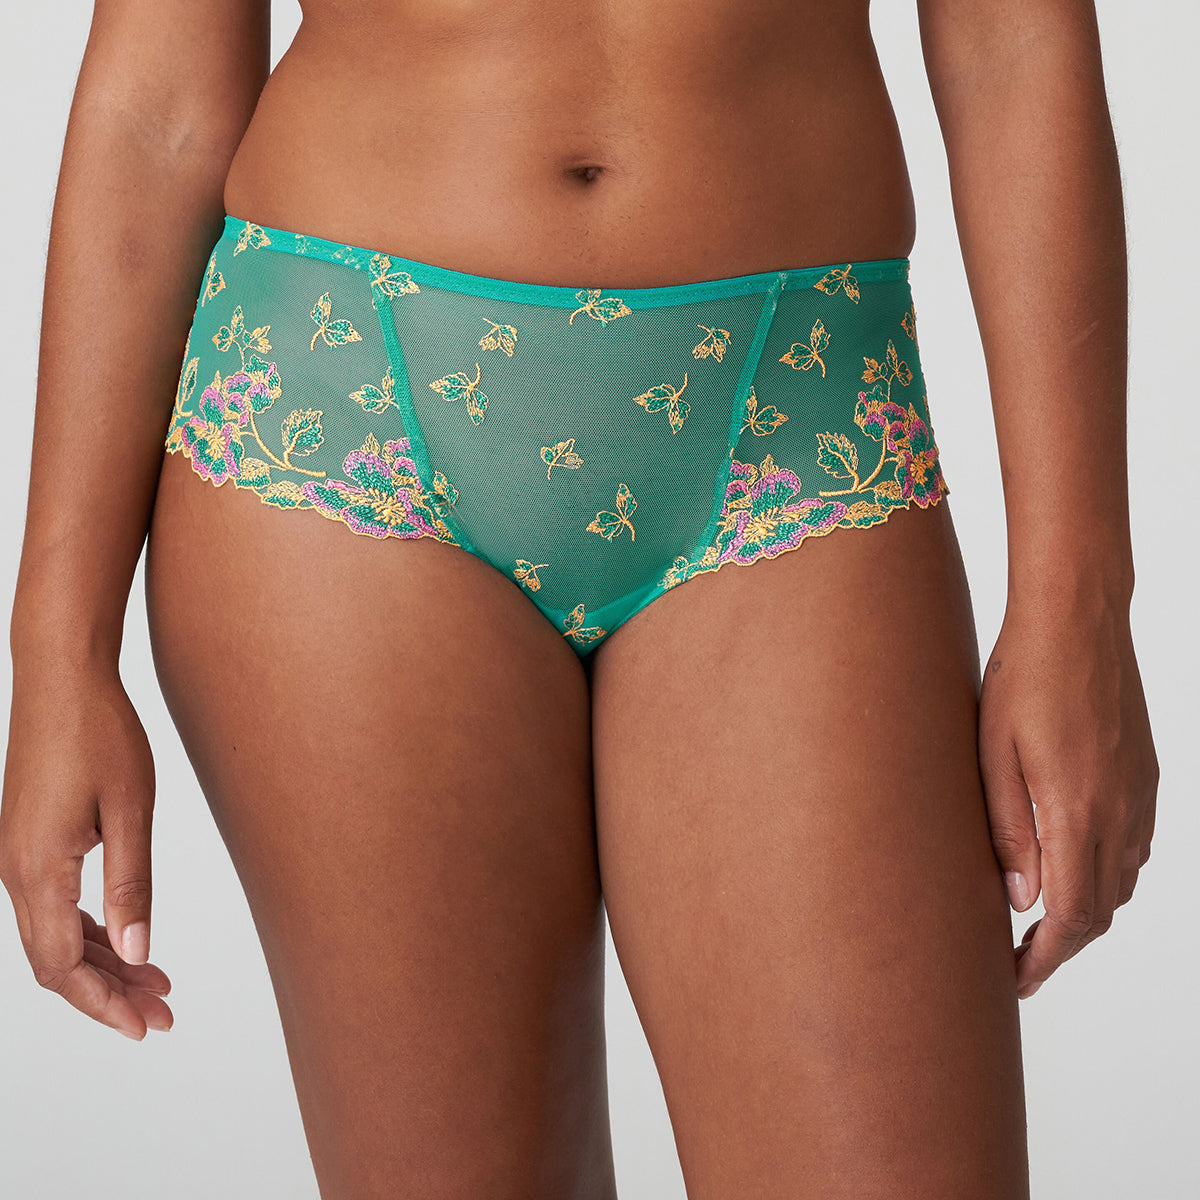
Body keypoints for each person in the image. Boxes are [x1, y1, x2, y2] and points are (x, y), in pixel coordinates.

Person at [0, 1, 1159, 1196]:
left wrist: (1080, 603)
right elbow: (158, 103)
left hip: (795, 417)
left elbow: (1012, 40)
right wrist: (58, 648)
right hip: (344, 409)